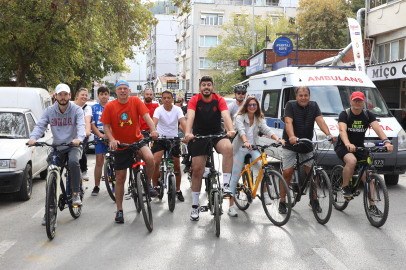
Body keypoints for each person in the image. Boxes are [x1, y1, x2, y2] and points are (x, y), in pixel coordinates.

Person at [100, 80, 159, 223]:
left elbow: (147, 117)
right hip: (120, 145)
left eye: (125, 88)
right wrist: (112, 139)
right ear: (116, 91)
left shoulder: (135, 101)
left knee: (150, 159)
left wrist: (153, 130)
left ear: (129, 90)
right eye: (120, 89)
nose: (122, 91)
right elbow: (106, 127)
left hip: (137, 141)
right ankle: (119, 210)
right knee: (120, 178)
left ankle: (148, 185)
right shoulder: (110, 106)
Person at [28, 84, 85, 225]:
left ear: (70, 96)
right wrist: (33, 138)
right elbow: (40, 125)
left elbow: (82, 126)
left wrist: (79, 138)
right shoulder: (49, 111)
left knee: (73, 162)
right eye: (60, 94)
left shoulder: (77, 110)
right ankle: (50, 210)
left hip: (73, 145)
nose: (63, 97)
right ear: (56, 96)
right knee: (50, 173)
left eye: (66, 94)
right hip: (57, 147)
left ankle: (76, 193)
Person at [184, 75, 236, 221]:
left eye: (209, 85)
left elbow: (226, 116)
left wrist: (230, 130)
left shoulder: (219, 99)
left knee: (228, 148)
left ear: (213, 88)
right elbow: (190, 117)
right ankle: (195, 206)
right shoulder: (195, 100)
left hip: (216, 134)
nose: (206, 87)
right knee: (197, 171)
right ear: (200, 87)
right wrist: (188, 133)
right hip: (199, 135)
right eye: (203, 85)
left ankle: (226, 184)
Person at [335, 91, 393, 216]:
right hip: (344, 146)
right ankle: (345, 187)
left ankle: (372, 207)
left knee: (369, 177)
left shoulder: (368, 115)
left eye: (360, 100)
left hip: (360, 148)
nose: (357, 102)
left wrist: (386, 142)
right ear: (350, 101)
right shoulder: (345, 114)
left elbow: (378, 128)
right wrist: (347, 144)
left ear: (363, 102)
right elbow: (342, 130)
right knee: (351, 161)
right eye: (355, 100)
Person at [280, 86, 336, 214]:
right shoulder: (290, 105)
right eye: (301, 95)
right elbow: (288, 122)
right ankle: (282, 201)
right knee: (287, 172)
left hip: (306, 144)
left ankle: (314, 200)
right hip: (291, 143)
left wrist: (329, 134)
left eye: (306, 95)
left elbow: (320, 120)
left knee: (312, 173)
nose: (303, 97)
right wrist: (292, 136)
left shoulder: (314, 105)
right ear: (296, 96)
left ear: (309, 96)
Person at [228, 96, 285, 217]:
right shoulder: (239, 117)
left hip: (253, 147)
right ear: (246, 106)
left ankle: (264, 193)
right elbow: (241, 130)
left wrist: (277, 139)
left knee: (263, 167)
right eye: (250, 105)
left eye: (254, 105)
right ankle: (231, 206)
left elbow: (266, 129)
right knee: (235, 175)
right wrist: (245, 141)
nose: (252, 107)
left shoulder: (258, 118)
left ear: (257, 106)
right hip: (240, 148)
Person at [152, 91, 186, 201]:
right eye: (164, 98)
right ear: (161, 99)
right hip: (160, 139)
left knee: (176, 166)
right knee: (156, 162)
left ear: (172, 99)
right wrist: (153, 132)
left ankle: (178, 190)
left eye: (168, 98)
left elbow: (182, 123)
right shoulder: (158, 110)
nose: (166, 100)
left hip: (173, 140)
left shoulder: (177, 109)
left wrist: (187, 134)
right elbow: (154, 123)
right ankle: (156, 187)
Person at [90, 86, 110, 196]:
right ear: (98, 96)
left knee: (115, 160)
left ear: (108, 95)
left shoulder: (113, 106)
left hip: (112, 137)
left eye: (105, 94)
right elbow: (93, 124)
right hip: (99, 137)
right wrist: (101, 136)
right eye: (101, 94)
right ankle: (96, 186)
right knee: (99, 161)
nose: (103, 96)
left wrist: (109, 135)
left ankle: (114, 183)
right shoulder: (94, 108)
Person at [74, 88, 92, 181]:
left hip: (82, 134)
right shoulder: (70, 105)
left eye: (86, 95)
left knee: (80, 150)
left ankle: (84, 170)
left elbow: (87, 121)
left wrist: (87, 132)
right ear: (77, 96)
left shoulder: (87, 108)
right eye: (82, 95)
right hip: (70, 134)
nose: (84, 97)